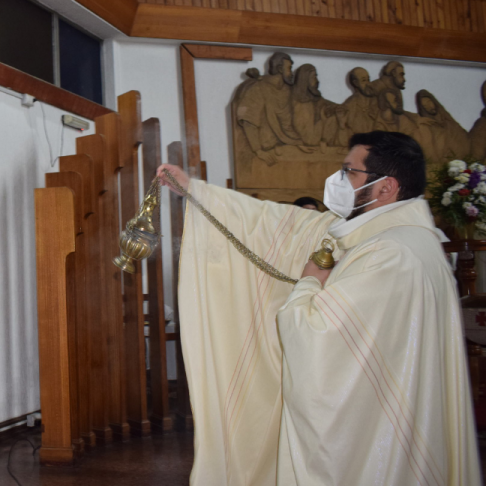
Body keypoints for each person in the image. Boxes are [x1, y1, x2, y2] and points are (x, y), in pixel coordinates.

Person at [157, 131, 479, 485]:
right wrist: (198, 192)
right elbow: (283, 223)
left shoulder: (389, 254)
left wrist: (310, 282)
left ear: (387, 187)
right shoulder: (399, 237)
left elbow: (318, 335)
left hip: (378, 435)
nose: (338, 181)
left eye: (349, 172)